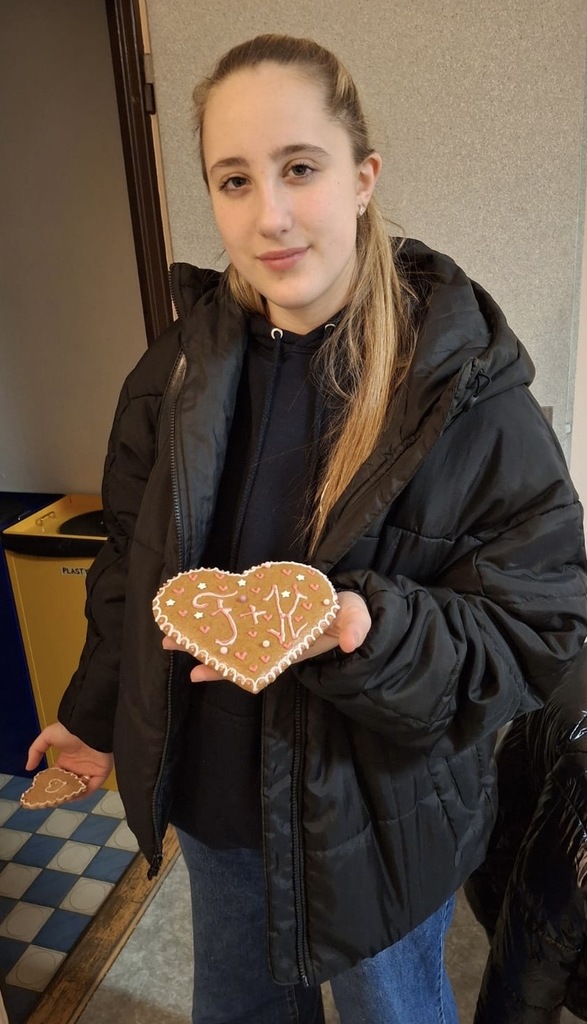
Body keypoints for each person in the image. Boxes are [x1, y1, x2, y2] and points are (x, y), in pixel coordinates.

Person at [27, 33, 586, 1024]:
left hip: (379, 825)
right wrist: (94, 712)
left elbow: (542, 622)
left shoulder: (462, 390)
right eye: (234, 180)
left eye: (299, 169)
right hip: (218, 812)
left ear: (362, 177)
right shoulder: (172, 375)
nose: (269, 216)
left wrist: (368, 628)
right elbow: (133, 568)